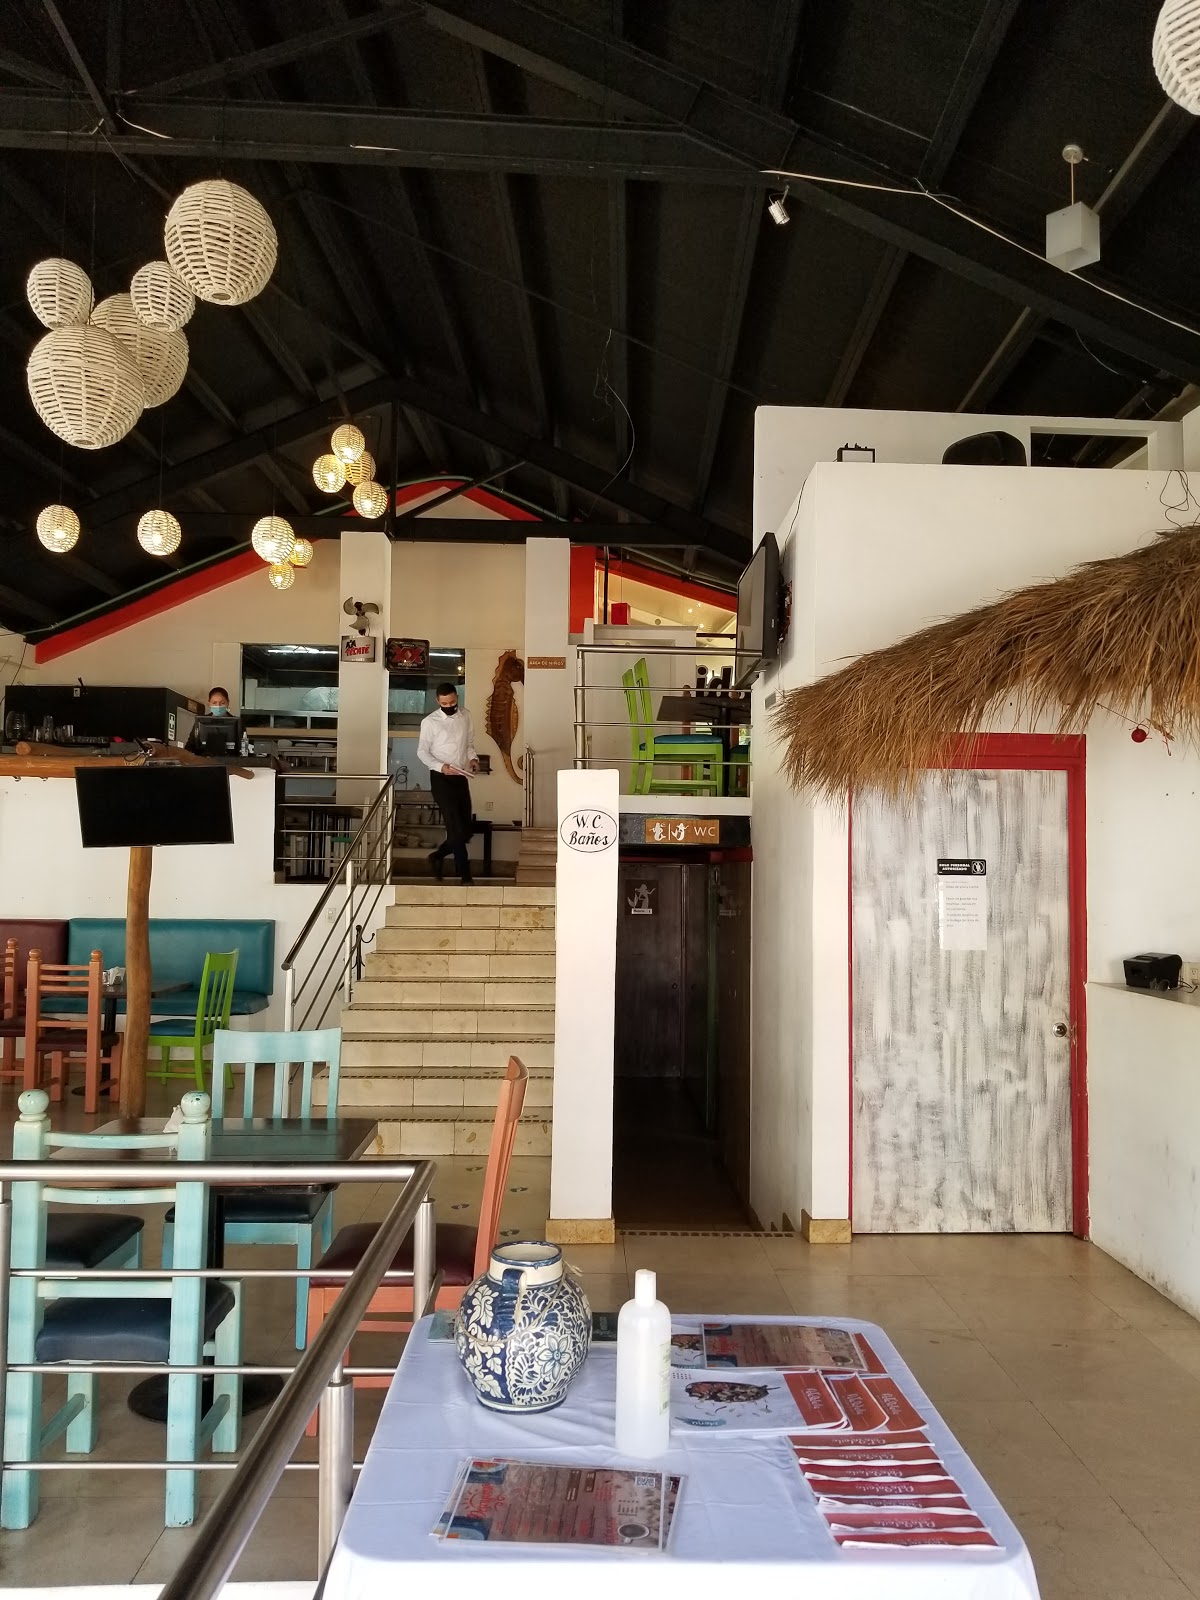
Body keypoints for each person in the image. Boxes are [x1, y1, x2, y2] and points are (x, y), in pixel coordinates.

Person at [417, 682, 479, 883]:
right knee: (455, 828)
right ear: (438, 701)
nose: (449, 706)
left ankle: (437, 856)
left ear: (457, 698)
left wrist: (473, 758)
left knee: (466, 830)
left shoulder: (466, 716)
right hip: (441, 779)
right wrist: (440, 766)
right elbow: (422, 752)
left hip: (461, 776)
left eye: (452, 702)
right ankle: (465, 875)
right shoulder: (430, 722)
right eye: (444, 703)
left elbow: (469, 744)